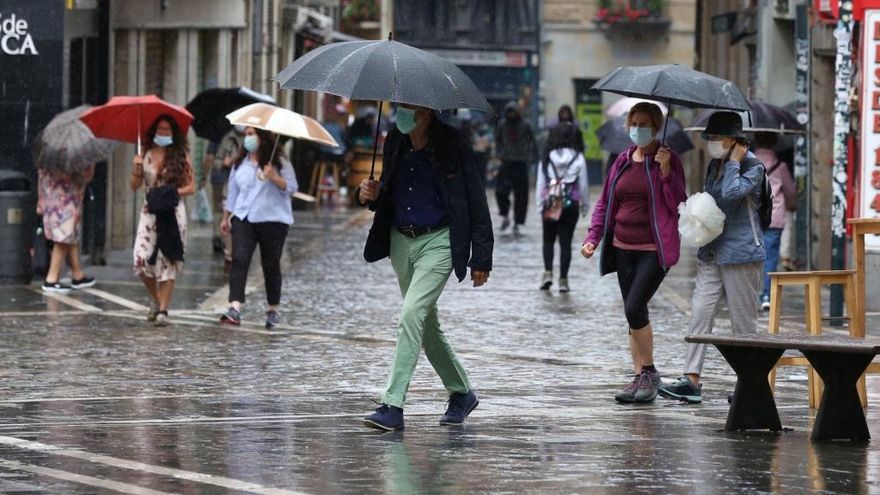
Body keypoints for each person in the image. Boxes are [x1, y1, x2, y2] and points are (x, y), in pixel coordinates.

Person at [356, 103, 493, 431]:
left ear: (427, 111)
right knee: (425, 325)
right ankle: (462, 393)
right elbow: (388, 194)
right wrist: (371, 195)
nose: (401, 112)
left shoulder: (452, 143)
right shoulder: (394, 141)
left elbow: (475, 198)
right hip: (401, 242)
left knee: (410, 315)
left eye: (408, 107)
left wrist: (481, 258)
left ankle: (393, 404)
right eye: (399, 106)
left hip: (440, 241)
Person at [581, 102, 687, 404]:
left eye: (644, 124)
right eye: (633, 123)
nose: (637, 129)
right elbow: (605, 201)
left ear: (655, 127)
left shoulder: (669, 159)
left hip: (654, 249)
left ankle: (650, 372)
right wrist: (594, 237)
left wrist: (666, 171)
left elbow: (678, 202)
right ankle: (638, 376)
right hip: (622, 248)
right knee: (634, 314)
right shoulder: (622, 160)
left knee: (634, 306)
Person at [658, 111, 766, 404]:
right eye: (709, 137)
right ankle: (691, 378)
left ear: (734, 139)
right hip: (713, 250)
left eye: (716, 138)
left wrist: (734, 163)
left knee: (743, 324)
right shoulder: (714, 165)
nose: (711, 143)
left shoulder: (753, 166)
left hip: (742, 254)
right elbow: (713, 203)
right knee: (700, 313)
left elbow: (732, 195)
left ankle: (750, 384)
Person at [219, 126, 298, 328]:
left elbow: (291, 188)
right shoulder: (240, 164)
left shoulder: (280, 162)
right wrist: (225, 217)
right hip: (244, 218)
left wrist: (274, 176)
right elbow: (233, 193)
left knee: (271, 264)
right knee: (240, 259)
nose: (248, 138)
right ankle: (234, 307)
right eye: (246, 134)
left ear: (262, 138)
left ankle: (273, 309)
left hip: (273, 220)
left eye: (252, 134)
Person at [131, 114, 195, 326]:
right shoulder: (145, 154)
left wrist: (171, 192)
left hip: (173, 213)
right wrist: (137, 169)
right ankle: (157, 299)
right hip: (149, 214)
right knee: (140, 260)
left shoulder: (180, 156)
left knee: (168, 260)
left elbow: (191, 186)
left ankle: (164, 311)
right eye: (160, 129)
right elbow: (134, 186)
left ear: (174, 133)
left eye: (168, 130)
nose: (164, 133)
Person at [536, 122, 589, 292]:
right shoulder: (578, 157)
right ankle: (564, 280)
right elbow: (584, 184)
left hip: (550, 203)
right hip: (570, 204)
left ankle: (548, 273)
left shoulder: (547, 156)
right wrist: (585, 206)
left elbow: (540, 183)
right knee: (566, 243)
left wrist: (540, 205)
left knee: (548, 240)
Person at [36, 165, 97, 292]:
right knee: (64, 237)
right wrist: (90, 166)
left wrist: (40, 198)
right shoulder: (74, 158)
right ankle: (51, 279)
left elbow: (41, 174)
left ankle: (77, 274)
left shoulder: (49, 153)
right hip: (66, 199)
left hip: (51, 197)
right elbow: (86, 176)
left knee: (70, 236)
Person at [753, 132, 796, 310]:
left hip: (751, 217)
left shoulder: (747, 162)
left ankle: (748, 294)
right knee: (770, 257)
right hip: (774, 217)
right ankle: (766, 296)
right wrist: (792, 207)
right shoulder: (781, 166)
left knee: (750, 257)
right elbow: (790, 192)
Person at [495, 101, 536, 234]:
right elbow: (498, 141)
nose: (511, 114)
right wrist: (500, 154)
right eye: (509, 112)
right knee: (501, 191)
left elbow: (532, 141)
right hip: (506, 162)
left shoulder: (525, 125)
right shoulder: (502, 125)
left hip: (520, 163)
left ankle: (518, 221)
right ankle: (505, 215)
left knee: (521, 195)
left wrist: (529, 156)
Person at [204, 126, 243, 262]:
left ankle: (230, 242)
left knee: (231, 211)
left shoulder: (250, 137)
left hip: (240, 183)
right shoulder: (221, 136)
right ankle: (219, 239)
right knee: (221, 209)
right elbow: (211, 159)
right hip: (221, 179)